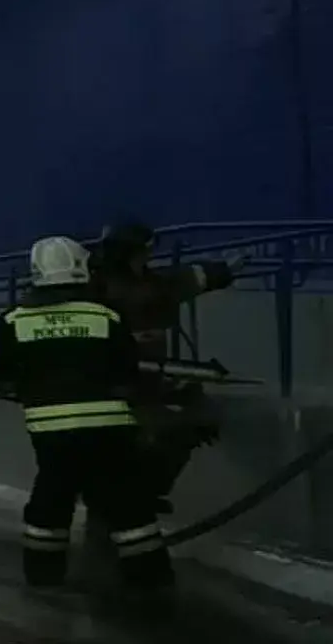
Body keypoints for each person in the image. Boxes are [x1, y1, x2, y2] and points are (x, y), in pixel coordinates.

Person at [0, 236, 173, 595]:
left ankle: (43, 575)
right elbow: (128, 369)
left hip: (51, 430)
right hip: (108, 427)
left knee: (51, 498)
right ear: (82, 268)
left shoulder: (17, 319)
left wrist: (29, 380)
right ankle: (150, 579)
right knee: (125, 503)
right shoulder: (104, 315)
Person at [87, 218, 237, 514]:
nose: (149, 255)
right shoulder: (102, 289)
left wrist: (222, 271)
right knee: (157, 430)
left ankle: (148, 489)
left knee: (200, 418)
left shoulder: (145, 281)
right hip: (119, 385)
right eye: (145, 250)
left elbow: (181, 282)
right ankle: (135, 495)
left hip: (151, 377)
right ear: (129, 252)